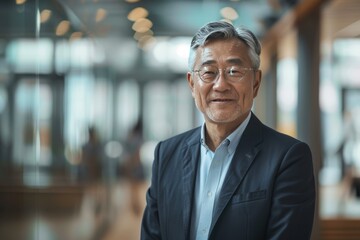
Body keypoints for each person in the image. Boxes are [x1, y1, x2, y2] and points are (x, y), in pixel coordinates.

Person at [141, 21, 315, 240]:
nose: (221, 84)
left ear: (255, 83)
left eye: (234, 71)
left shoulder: (289, 158)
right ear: (192, 84)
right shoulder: (166, 154)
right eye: (208, 72)